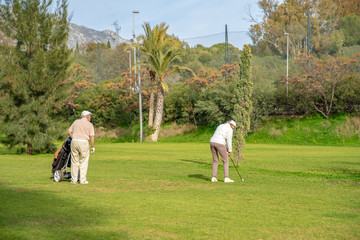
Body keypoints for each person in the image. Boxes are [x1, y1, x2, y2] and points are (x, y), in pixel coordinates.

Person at [68, 110, 95, 184]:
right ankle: (82, 180)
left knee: (74, 161)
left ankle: (74, 180)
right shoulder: (89, 124)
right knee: (84, 161)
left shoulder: (76, 122)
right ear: (87, 117)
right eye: (89, 116)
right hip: (84, 142)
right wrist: (93, 146)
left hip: (74, 142)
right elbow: (92, 136)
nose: (90, 117)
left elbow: (69, 131)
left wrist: (73, 137)